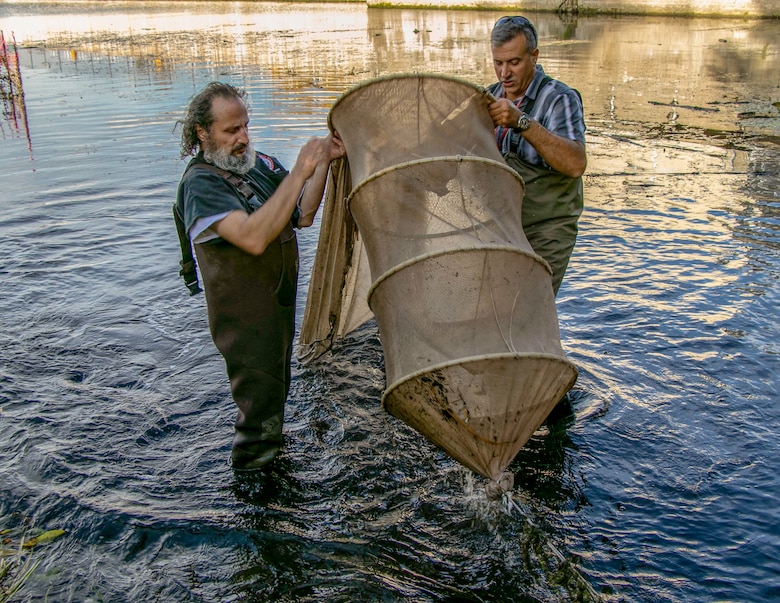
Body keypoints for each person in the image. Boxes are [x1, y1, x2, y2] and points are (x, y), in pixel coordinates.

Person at [174, 82, 344, 471]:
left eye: (246, 126)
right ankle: (255, 498)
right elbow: (252, 237)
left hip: (277, 310)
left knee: (274, 403)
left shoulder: (257, 164)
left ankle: (274, 478)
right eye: (231, 131)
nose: (243, 138)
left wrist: (324, 164)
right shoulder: (201, 185)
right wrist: (301, 169)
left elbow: (300, 213)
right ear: (202, 132)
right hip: (245, 324)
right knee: (257, 418)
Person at [486, 15, 587, 296]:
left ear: (534, 56)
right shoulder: (488, 98)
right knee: (493, 311)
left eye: (514, 63)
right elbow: (440, 138)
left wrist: (521, 122)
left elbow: (576, 163)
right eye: (498, 62)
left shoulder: (559, 99)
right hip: (501, 229)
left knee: (528, 312)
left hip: (548, 231)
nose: (504, 73)